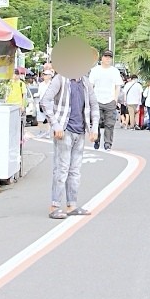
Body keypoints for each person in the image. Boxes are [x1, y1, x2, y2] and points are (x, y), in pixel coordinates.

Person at [40, 65, 98, 220]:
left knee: (75, 171)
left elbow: (94, 105)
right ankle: (54, 206)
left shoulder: (85, 82)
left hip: (80, 131)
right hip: (64, 131)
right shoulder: (60, 79)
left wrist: (94, 128)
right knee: (62, 169)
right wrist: (55, 124)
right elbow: (45, 101)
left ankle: (72, 205)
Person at [88, 50, 124, 150]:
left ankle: (108, 143)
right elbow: (91, 85)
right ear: (102, 58)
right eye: (106, 56)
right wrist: (91, 99)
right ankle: (97, 140)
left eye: (110, 57)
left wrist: (115, 100)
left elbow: (118, 86)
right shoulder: (95, 70)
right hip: (97, 100)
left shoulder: (114, 71)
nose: (108, 58)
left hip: (110, 100)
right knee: (96, 122)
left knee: (109, 124)